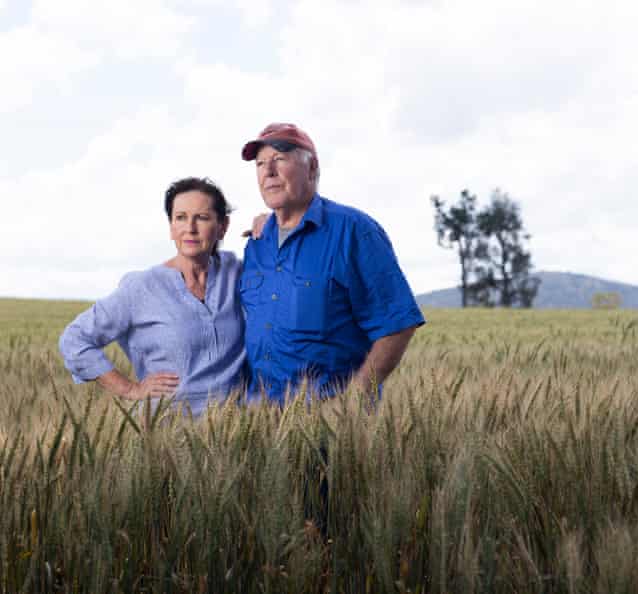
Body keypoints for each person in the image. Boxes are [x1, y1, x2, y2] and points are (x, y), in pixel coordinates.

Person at [239, 122, 424, 404]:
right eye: (261, 164)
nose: (268, 171)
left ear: (312, 168)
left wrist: (356, 396)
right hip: (259, 423)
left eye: (279, 160)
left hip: (328, 424)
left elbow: (397, 324)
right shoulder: (256, 243)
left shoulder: (354, 231)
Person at [59, 177, 246, 416]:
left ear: (223, 226)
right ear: (171, 227)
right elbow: (74, 339)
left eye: (202, 217)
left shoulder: (235, 272)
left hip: (233, 433)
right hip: (165, 433)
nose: (190, 228)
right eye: (180, 217)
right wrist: (129, 389)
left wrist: (267, 225)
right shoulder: (142, 287)